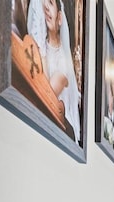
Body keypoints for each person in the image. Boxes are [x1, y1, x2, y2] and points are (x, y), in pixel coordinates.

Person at [40, 0, 81, 142]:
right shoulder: (42, 44)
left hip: (63, 132)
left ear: (60, 18)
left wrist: (42, 55)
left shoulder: (64, 64)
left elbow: (46, 97)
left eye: (50, 3)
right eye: (43, 3)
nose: (45, 7)